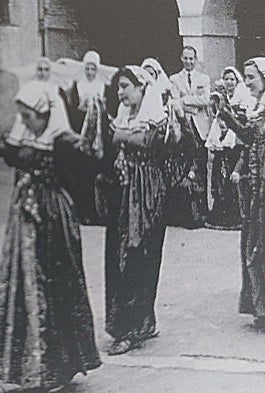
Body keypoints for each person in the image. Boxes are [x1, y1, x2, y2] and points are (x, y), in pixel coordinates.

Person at [0, 80, 101, 392]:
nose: (26, 122)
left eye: (30, 116)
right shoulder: (26, 136)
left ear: (46, 113)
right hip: (26, 216)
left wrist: (95, 126)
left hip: (52, 216)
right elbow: (1, 150)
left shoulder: (62, 140)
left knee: (54, 285)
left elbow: (91, 160)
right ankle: (29, 365)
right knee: (24, 285)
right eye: (22, 115)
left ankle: (58, 365)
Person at [105, 66, 168, 355]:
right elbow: (116, 142)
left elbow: (147, 141)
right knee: (120, 254)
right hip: (124, 192)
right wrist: (121, 134)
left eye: (126, 86)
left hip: (147, 193)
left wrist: (120, 135)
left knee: (139, 255)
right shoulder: (125, 116)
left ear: (142, 88)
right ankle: (135, 323)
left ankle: (133, 329)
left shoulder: (157, 116)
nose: (120, 93)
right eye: (119, 87)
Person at [220, 57, 265, 331]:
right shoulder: (260, 105)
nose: (247, 81)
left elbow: (253, 136)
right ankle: (262, 307)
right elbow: (250, 138)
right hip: (260, 183)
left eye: (251, 76)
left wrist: (225, 114)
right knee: (257, 240)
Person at [66, 51, 115, 225]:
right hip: (83, 131)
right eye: (87, 68)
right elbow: (71, 112)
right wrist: (81, 107)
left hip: (99, 135)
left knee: (98, 172)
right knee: (82, 174)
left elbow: (109, 112)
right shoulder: (77, 86)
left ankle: (99, 212)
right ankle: (83, 211)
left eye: (93, 69)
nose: (90, 72)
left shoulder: (103, 85)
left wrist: (101, 107)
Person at [205, 67, 255, 230]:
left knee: (233, 174)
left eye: (232, 79)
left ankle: (235, 215)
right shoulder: (220, 96)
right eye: (226, 79)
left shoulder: (242, 96)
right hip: (222, 132)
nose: (229, 82)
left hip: (235, 136)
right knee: (220, 176)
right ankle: (221, 213)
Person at [167, 46, 211, 228]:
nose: (189, 62)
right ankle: (188, 212)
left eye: (191, 59)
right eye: (185, 58)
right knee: (186, 166)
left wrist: (186, 101)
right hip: (183, 126)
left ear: (196, 59)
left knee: (201, 165)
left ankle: (203, 209)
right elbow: (175, 101)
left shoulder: (204, 79)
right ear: (181, 58)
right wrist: (190, 102)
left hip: (200, 127)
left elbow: (206, 100)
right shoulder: (174, 79)